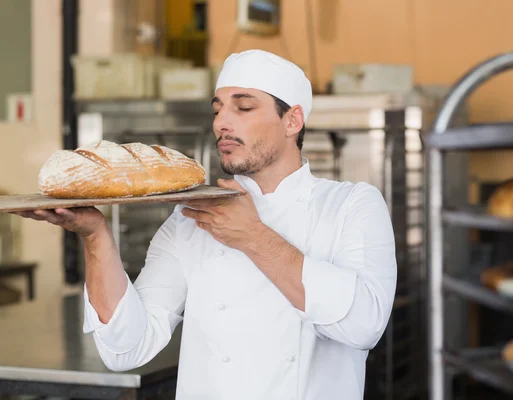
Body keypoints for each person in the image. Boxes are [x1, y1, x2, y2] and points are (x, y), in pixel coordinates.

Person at [14, 49, 397, 400]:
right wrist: (95, 235)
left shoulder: (352, 205)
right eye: (217, 110)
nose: (222, 124)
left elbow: (363, 326)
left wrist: (254, 237)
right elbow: (126, 347)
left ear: (292, 120)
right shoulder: (191, 216)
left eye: (243, 107)